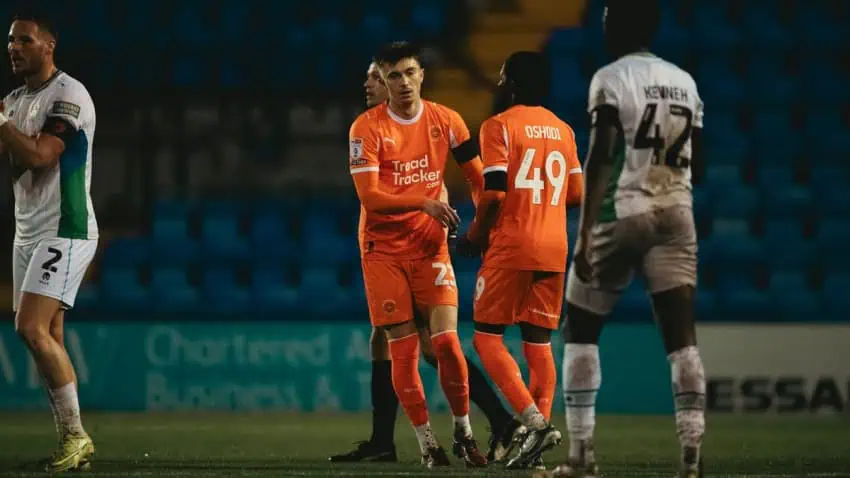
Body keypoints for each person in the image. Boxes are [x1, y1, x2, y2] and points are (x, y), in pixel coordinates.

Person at [331, 60, 519, 464]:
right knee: (390, 340)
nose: (368, 84)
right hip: (385, 248)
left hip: (420, 246)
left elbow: (470, 176)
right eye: (376, 76)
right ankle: (388, 440)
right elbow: (374, 193)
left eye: (375, 76)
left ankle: (496, 421)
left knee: (433, 346)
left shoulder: (436, 120)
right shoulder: (368, 129)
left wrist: (478, 221)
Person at [552, 1, 706, 477]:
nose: (601, 27)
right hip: (677, 212)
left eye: (606, 20)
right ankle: (691, 458)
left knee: (580, 330)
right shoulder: (685, 81)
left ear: (618, 27)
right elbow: (697, 160)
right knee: (682, 341)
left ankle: (581, 456)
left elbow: (601, 154)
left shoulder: (611, 77)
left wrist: (584, 236)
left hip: (623, 210)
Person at [455, 51, 583, 470]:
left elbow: (493, 193)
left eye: (502, 76)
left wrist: (475, 236)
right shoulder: (563, 130)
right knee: (538, 343)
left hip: (513, 244)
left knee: (487, 339)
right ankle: (535, 441)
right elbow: (576, 194)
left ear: (510, 83)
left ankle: (534, 425)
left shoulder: (499, 126)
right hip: (554, 246)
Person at [1, 11, 98, 473]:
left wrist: (2, 124)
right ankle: (71, 440)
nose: (13, 48)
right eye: (10, 41)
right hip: (27, 232)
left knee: (30, 327)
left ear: (49, 45)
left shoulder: (68, 95)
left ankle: (77, 436)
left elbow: (41, 155)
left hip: (66, 227)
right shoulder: (14, 100)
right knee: (49, 334)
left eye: (24, 40)